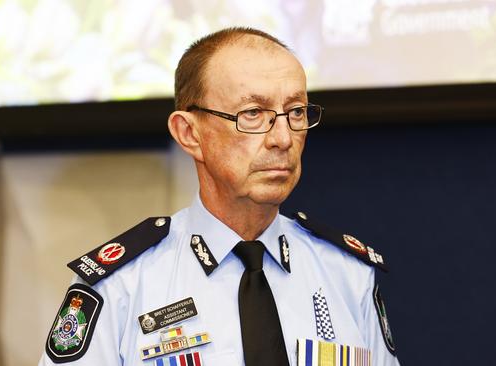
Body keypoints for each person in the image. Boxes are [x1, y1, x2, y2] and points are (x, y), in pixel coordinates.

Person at [40, 27, 400, 366]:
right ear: (189, 134)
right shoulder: (123, 284)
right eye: (253, 114)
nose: (283, 139)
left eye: (295, 113)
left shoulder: (346, 275)